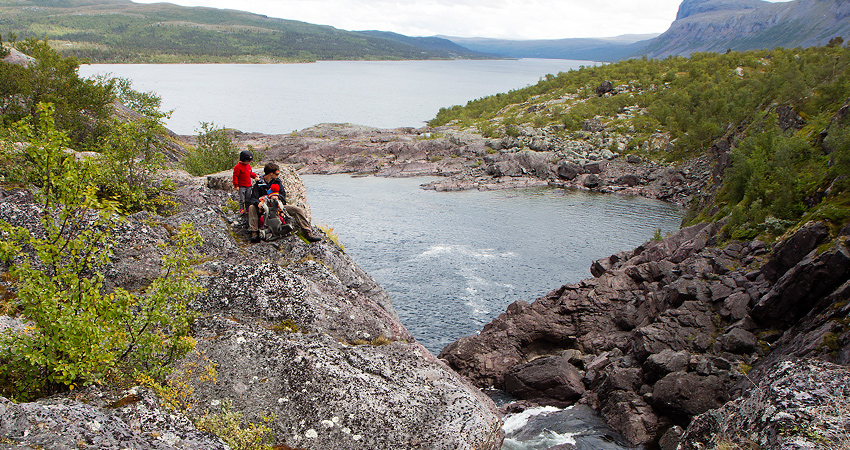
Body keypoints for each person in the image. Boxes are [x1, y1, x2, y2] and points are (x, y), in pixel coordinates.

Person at [247, 163, 322, 244]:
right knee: (251, 207)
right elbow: (253, 199)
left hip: (278, 206)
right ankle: (254, 233)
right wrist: (258, 203)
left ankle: (308, 233)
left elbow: (283, 196)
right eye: (277, 174)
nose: (278, 175)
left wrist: (278, 198)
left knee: (298, 210)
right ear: (271, 173)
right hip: (264, 207)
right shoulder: (259, 184)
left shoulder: (277, 182)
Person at [232, 150, 258, 214]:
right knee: (242, 199)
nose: (249, 162)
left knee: (248, 198)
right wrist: (236, 185)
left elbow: (250, 173)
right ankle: (241, 208)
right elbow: (235, 176)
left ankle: (247, 208)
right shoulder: (238, 167)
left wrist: (255, 176)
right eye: (248, 161)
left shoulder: (248, 166)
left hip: (248, 185)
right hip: (241, 186)